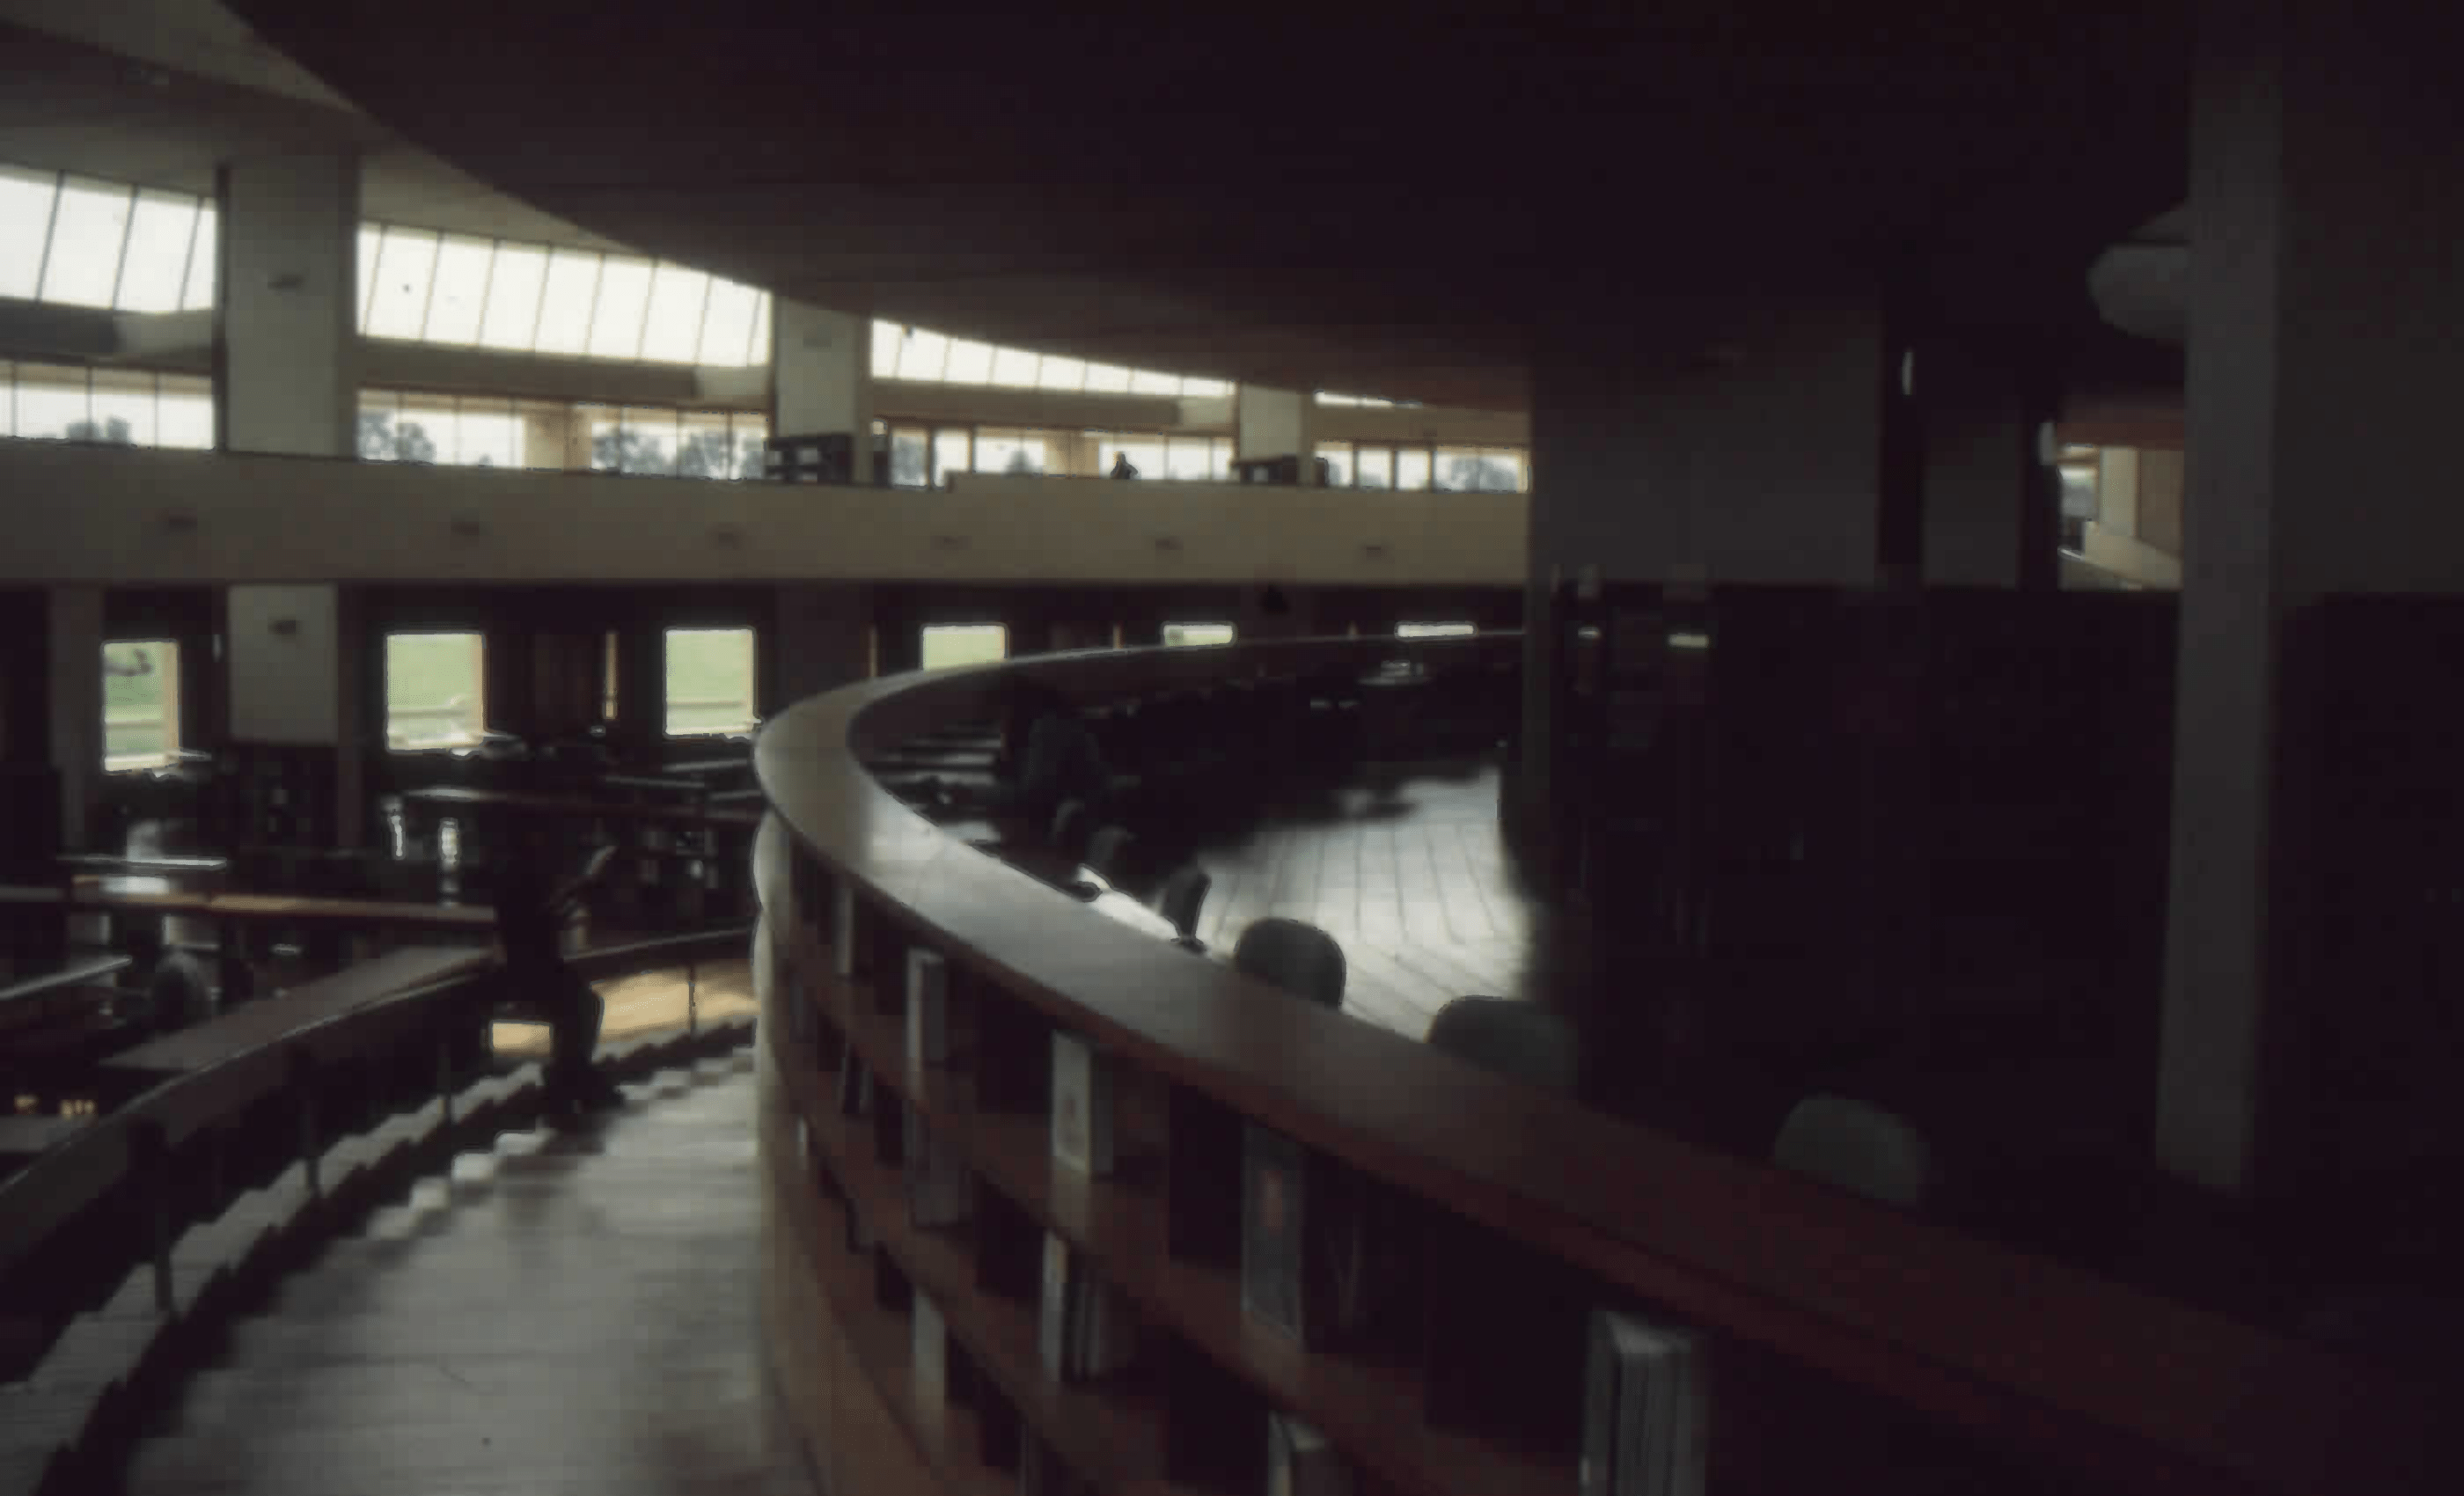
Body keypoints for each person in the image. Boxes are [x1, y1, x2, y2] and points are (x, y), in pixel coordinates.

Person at [494, 829, 622, 1112]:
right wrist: (577, 892)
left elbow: (545, 917)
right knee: (581, 1009)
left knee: (586, 1006)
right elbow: (534, 924)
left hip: (542, 965)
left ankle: (572, 1081)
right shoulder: (517, 879)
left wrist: (571, 897)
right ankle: (569, 1083)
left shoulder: (520, 875)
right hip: (532, 968)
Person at [927, 678, 1118, 831]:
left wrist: (969, 794)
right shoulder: (1042, 726)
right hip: (1071, 817)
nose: (1000, 724)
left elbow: (1032, 795)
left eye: (1000, 715)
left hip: (1079, 822)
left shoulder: (1049, 728)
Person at [120, 921, 215, 1035]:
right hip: (202, 1030)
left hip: (188, 1036)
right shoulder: (182, 958)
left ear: (143, 953)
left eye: (135, 957)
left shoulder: (168, 972)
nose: (136, 964)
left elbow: (163, 1020)